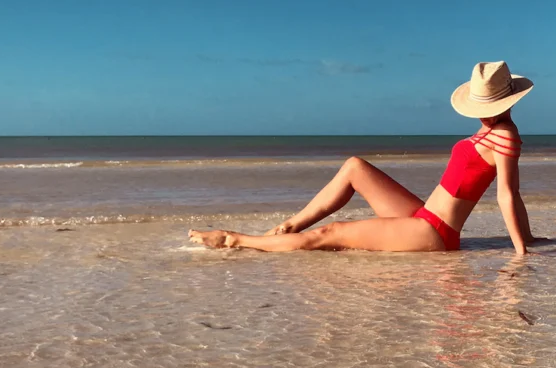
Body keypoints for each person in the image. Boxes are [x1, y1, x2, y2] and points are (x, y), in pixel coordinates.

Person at [189, 61, 537, 254]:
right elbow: (515, 193)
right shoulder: (495, 131)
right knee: (355, 167)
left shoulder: (505, 135)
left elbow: (507, 194)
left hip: (434, 233)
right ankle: (288, 228)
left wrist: (521, 250)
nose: (482, 113)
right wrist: (530, 237)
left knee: (332, 233)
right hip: (424, 216)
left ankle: (234, 239)